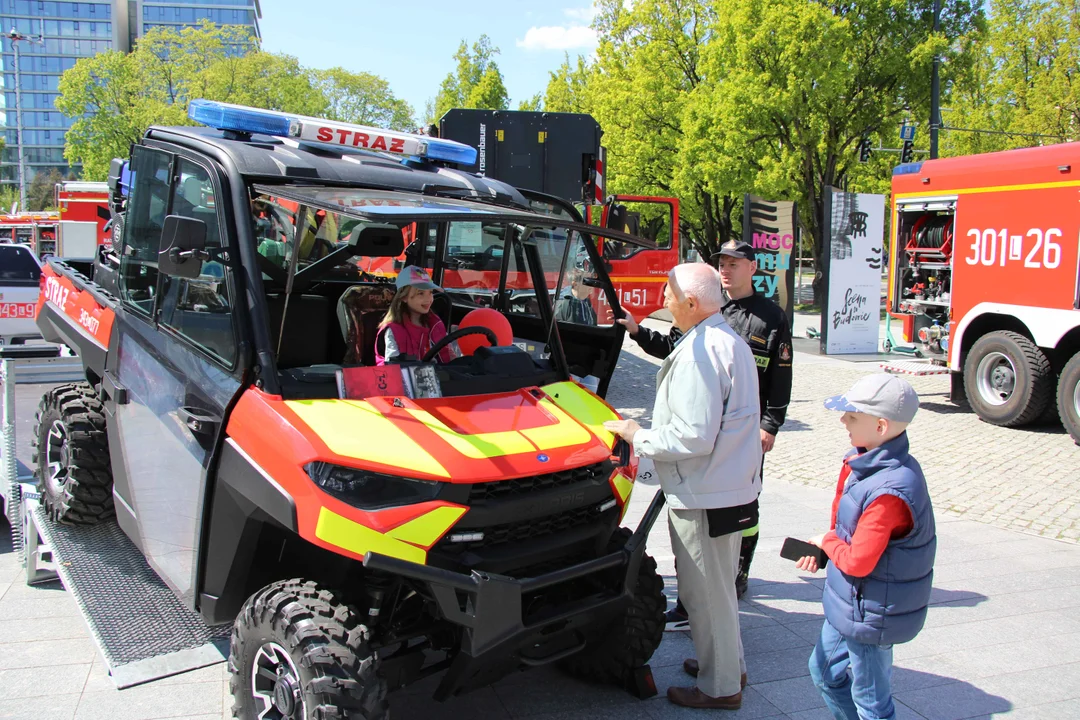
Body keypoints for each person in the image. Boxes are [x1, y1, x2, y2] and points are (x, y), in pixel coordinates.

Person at [604, 263, 761, 710]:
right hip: (729, 488)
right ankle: (729, 664)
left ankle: (720, 687)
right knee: (719, 589)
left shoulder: (699, 352)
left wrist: (639, 435)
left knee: (703, 593)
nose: (663, 301)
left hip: (705, 492)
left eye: (668, 294)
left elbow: (692, 436)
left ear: (691, 303)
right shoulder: (726, 339)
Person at [619, 239, 793, 622]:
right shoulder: (712, 308)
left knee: (744, 507)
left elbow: (781, 377)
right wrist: (636, 332)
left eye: (734, 262)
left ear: (752, 268)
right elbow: (672, 347)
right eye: (722, 263)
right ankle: (697, 597)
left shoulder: (770, 317)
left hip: (742, 435)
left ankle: (736, 574)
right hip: (706, 440)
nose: (726, 269)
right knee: (706, 523)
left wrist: (771, 425)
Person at [797, 373, 936, 720]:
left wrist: (828, 542)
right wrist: (828, 550)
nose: (843, 420)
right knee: (825, 673)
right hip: (854, 603)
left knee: (872, 704)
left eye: (853, 416)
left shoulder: (889, 489)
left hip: (872, 613)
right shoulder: (866, 461)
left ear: (881, 426)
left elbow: (858, 560)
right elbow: (848, 530)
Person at [375, 266, 458, 365]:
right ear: (404, 297)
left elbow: (450, 359)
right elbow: (393, 370)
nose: (428, 299)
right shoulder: (393, 331)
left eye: (430, 292)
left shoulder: (435, 324)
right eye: (421, 293)